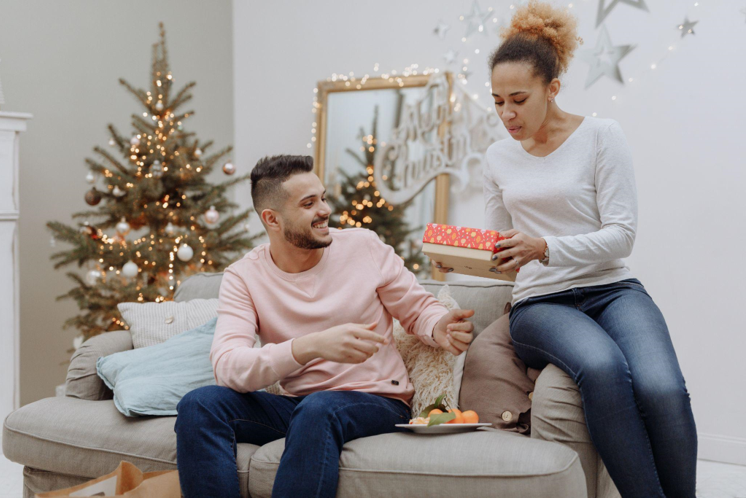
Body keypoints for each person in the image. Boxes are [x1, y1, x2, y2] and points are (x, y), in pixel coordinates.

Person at [437, 1, 697, 496]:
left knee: (663, 388)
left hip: (612, 288)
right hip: (540, 303)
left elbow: (622, 235)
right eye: (496, 101)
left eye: (518, 99)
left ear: (551, 89)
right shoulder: (498, 157)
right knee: (602, 368)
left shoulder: (601, 136)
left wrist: (543, 246)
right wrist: (462, 255)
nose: (506, 115)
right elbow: (501, 246)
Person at [174, 155, 475, 498]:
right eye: (308, 203)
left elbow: (417, 309)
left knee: (319, 408)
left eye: (323, 197)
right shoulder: (244, 277)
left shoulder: (363, 246)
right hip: (296, 405)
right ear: (271, 219)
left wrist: (440, 327)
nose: (324, 210)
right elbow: (228, 368)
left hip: (375, 399)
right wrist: (311, 346)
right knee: (199, 404)